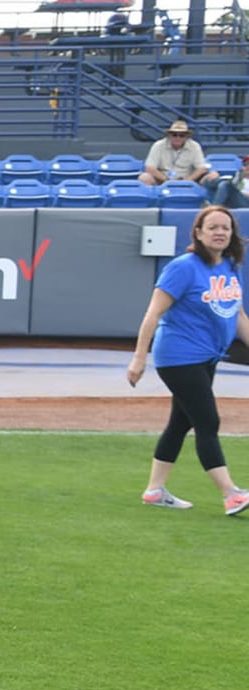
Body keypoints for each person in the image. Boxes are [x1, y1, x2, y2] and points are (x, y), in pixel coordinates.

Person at [128, 203, 249, 516]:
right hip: (179, 356)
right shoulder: (183, 267)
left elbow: (237, 315)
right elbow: (153, 313)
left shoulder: (230, 266)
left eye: (225, 227)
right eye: (213, 227)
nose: (220, 232)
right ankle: (230, 493)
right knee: (208, 421)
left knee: (180, 422)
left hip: (207, 356)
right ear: (198, 232)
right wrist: (139, 358)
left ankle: (155, 490)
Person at [139, 119, 225, 192]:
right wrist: (166, 180)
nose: (178, 138)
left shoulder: (194, 146)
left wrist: (189, 179)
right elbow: (149, 168)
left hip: (189, 180)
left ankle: (209, 203)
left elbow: (201, 168)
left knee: (213, 175)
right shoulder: (158, 145)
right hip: (162, 180)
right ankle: (152, 203)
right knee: (144, 177)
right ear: (169, 135)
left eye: (181, 135)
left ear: (186, 137)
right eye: (174, 134)